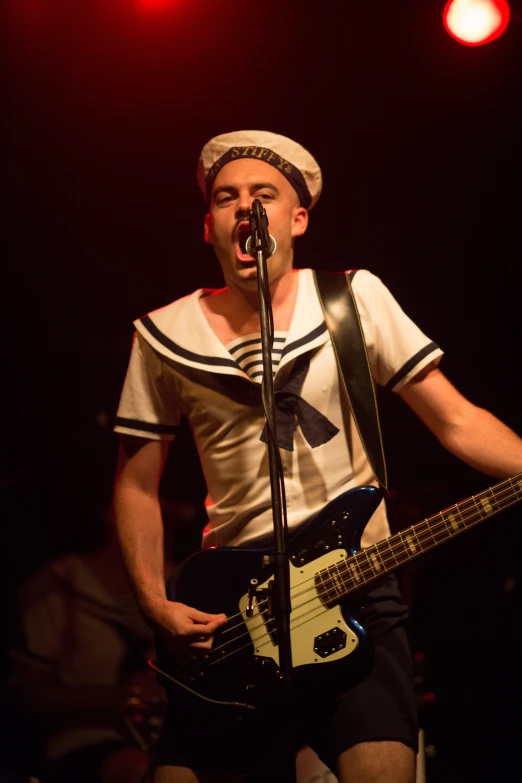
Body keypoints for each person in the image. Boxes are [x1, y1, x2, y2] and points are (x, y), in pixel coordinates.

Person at [112, 130, 522, 783]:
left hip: (356, 586)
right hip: (235, 609)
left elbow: (457, 419)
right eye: (227, 196)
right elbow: (137, 483)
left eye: (264, 194)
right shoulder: (163, 334)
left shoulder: (354, 299)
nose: (245, 207)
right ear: (209, 225)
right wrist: (153, 602)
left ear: (297, 218)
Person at [10, 505, 166, 783]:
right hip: (86, 744)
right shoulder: (59, 584)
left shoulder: (175, 580)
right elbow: (27, 693)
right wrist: (124, 696)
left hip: (167, 738)